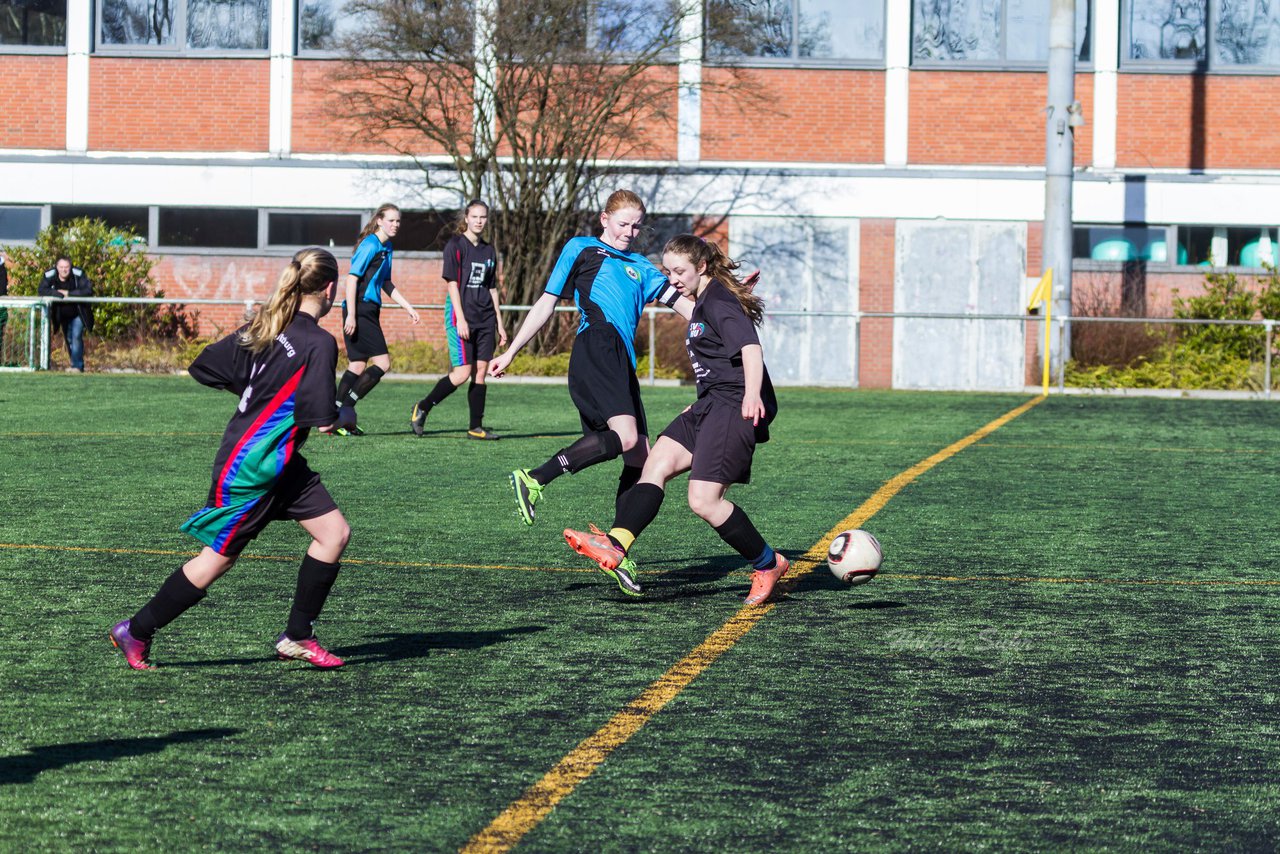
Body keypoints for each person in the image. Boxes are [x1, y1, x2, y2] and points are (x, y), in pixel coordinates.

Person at [109, 247, 355, 670]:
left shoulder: (266, 324)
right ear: (330, 289)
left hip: (276, 461)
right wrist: (343, 412)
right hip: (254, 466)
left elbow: (206, 366)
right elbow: (320, 417)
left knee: (334, 533)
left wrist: (255, 398)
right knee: (217, 559)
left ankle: (297, 635)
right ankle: (136, 629)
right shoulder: (317, 341)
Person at [562, 234, 788, 604]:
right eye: (668, 271)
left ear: (701, 267)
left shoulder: (718, 301)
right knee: (656, 462)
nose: (673, 279)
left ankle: (767, 563)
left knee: (703, 501)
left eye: (680, 271)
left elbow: (750, 347)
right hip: (709, 404)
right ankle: (616, 545)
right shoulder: (705, 299)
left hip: (734, 406)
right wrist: (700, 402)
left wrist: (750, 393)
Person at [488, 189, 693, 531]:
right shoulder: (581, 248)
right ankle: (535, 478)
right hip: (596, 345)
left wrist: (730, 301)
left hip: (622, 362)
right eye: (623, 224)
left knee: (640, 458)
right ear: (604, 219)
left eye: (637, 227)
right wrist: (511, 352)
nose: (629, 232)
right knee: (626, 438)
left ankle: (617, 544)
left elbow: (691, 309)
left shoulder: (643, 267)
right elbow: (546, 303)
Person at [411, 200, 507, 439]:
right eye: (474, 216)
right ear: (466, 217)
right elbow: (452, 284)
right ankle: (423, 406)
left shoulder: (488, 250)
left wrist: (500, 323)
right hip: (461, 315)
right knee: (462, 373)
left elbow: (492, 288)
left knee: (481, 371)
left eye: (483, 217)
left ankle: (476, 428)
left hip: (485, 318)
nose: (479, 221)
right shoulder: (455, 245)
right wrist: (461, 319)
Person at [334, 203, 421, 435]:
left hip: (369, 310)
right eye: (391, 220)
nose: (395, 225)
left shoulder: (387, 247)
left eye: (398, 221)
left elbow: (386, 283)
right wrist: (351, 314)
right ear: (379, 221)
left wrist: (408, 307)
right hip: (359, 309)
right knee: (382, 363)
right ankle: (347, 408)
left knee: (357, 364)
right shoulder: (370, 244)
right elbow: (352, 280)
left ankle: (336, 417)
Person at [38, 256, 93, 372]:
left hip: (78, 313)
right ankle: (76, 364)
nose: (64, 270)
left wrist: (69, 293)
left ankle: (77, 366)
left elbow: (88, 290)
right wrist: (57, 293)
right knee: (69, 339)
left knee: (76, 336)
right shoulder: (49, 275)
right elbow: (42, 290)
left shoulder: (78, 274)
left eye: (66, 267)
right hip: (62, 316)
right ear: (57, 268)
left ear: (70, 267)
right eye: (61, 267)